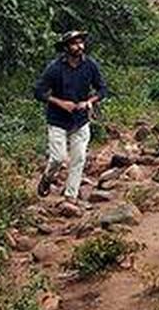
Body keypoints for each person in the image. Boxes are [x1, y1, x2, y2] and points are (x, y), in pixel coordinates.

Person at [34, 30, 107, 202]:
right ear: (66, 47)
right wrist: (60, 102)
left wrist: (89, 101)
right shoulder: (55, 68)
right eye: (74, 43)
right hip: (57, 119)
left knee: (79, 158)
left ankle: (70, 197)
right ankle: (47, 178)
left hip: (81, 119)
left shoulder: (90, 65)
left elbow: (102, 89)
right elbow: (38, 92)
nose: (79, 46)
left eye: (81, 42)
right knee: (58, 158)